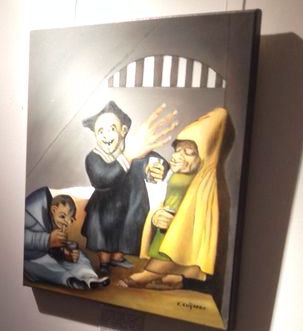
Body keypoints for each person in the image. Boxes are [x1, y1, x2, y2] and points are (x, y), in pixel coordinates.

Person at [119, 107, 228, 290]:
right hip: (165, 225)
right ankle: (171, 277)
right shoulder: (175, 175)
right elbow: (161, 191)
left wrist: (177, 223)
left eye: (189, 152)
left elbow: (195, 219)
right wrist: (156, 216)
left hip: (177, 230)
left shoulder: (202, 185)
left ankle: (153, 274)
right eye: (178, 150)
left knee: (173, 249)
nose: (178, 156)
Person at [80, 101, 176, 276]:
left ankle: (118, 257)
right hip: (104, 207)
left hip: (129, 206)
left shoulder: (136, 153)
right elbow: (102, 178)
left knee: (126, 231)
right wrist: (129, 157)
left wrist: (157, 168)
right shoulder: (94, 157)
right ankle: (104, 263)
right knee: (105, 235)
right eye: (100, 131)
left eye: (111, 129)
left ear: (123, 131)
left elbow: (156, 162)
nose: (106, 135)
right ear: (95, 135)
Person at [24, 187, 109, 289]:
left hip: (48, 254)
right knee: (47, 267)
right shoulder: (32, 210)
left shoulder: (53, 218)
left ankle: (89, 277)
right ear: (53, 209)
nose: (65, 222)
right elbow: (20, 238)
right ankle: (70, 281)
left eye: (69, 220)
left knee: (79, 256)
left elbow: (52, 249)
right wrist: (48, 240)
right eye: (62, 217)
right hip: (30, 259)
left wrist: (65, 254)